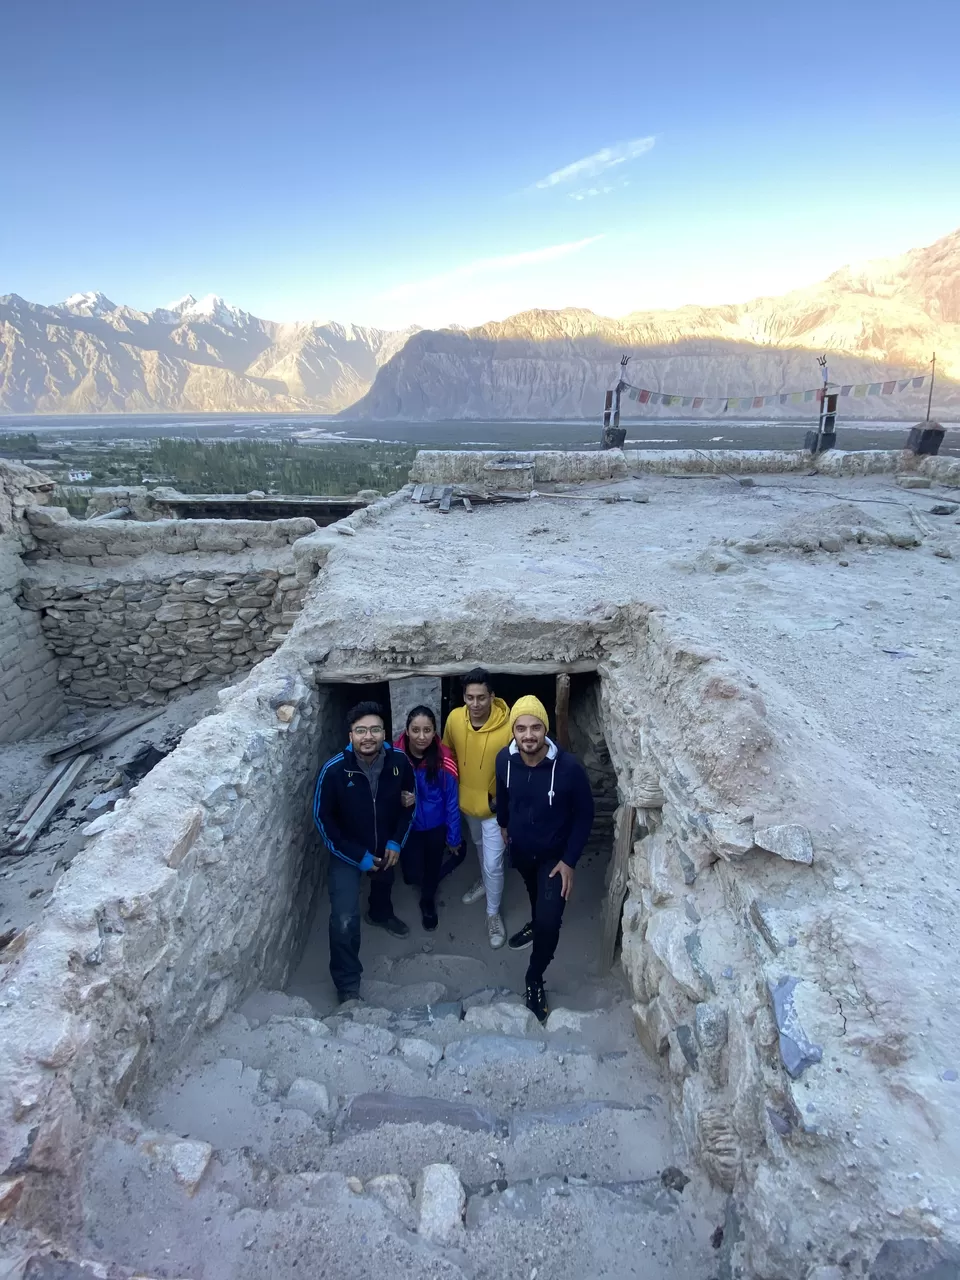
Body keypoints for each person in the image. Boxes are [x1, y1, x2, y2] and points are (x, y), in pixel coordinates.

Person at [495, 694, 594, 1023]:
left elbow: (584, 816)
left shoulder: (569, 770)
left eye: (535, 727)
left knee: (550, 922)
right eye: (521, 728)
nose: (528, 735)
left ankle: (534, 977)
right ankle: (534, 922)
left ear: (545, 730)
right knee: (535, 896)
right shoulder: (504, 760)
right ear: (513, 731)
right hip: (522, 851)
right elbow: (504, 795)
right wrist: (504, 825)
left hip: (554, 857)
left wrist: (569, 860)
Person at [313, 700, 416, 1003]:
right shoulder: (333, 771)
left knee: (384, 883)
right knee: (344, 918)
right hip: (348, 851)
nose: (368, 736)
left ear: (385, 732)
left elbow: (409, 804)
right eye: (361, 731)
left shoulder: (400, 762)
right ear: (350, 735)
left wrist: (396, 840)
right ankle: (347, 984)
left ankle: (380, 914)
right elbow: (323, 819)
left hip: (385, 845)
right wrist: (357, 855)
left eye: (374, 729)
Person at [442, 667, 512, 949]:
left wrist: (501, 800)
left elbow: (519, 767)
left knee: (495, 862)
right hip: (467, 803)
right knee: (479, 843)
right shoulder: (455, 719)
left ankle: (492, 914)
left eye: (481, 697)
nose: (475, 704)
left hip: (495, 807)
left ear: (492, 697)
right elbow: (449, 754)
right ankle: (485, 881)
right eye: (470, 698)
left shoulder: (509, 726)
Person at [394, 705, 462, 931]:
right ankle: (421, 879)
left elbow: (452, 802)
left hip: (435, 827)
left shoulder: (444, 760)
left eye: (427, 730)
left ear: (435, 732)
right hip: (408, 826)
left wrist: (454, 838)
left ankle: (427, 902)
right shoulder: (394, 757)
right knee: (412, 873)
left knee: (430, 870)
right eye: (415, 730)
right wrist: (398, 799)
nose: (421, 737)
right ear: (406, 731)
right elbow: (379, 793)